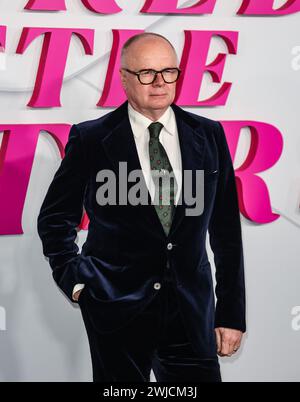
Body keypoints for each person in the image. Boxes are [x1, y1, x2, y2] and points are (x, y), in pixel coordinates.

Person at [37, 32, 246, 382]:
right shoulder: (91, 139)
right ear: (124, 78)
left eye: (169, 72)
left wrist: (230, 314)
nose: (160, 83)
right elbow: (55, 219)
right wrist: (76, 282)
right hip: (115, 309)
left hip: (190, 313)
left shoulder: (209, 135)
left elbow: (226, 233)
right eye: (147, 73)